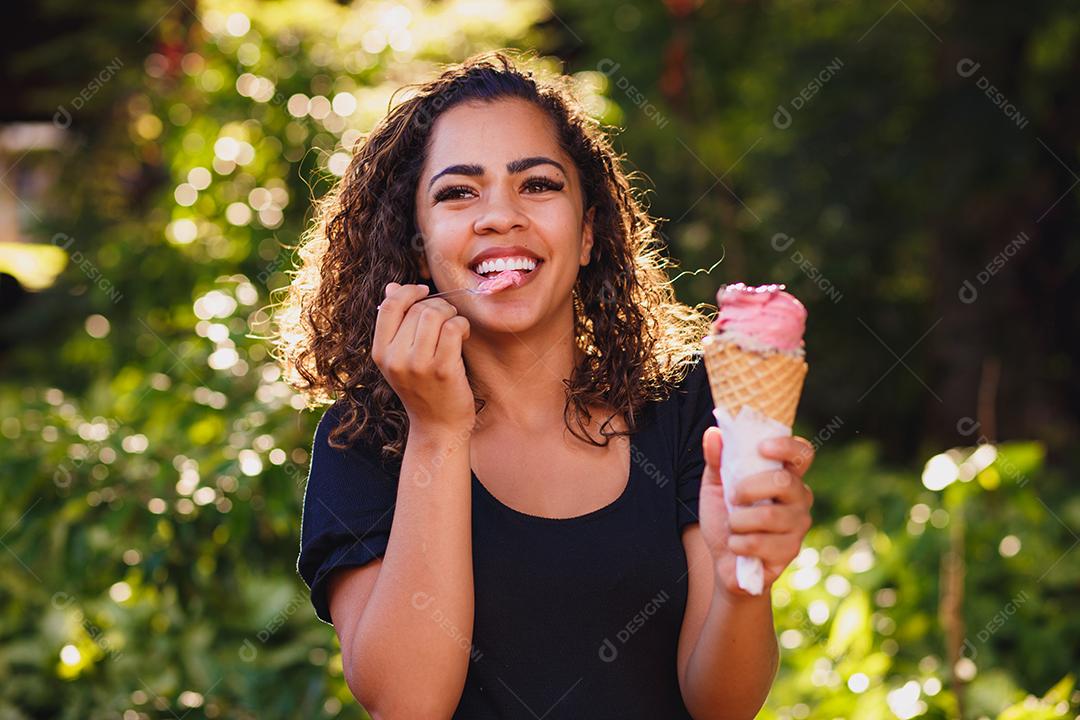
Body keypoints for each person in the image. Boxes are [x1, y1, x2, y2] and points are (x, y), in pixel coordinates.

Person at [274, 50, 816, 720]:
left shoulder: (682, 408)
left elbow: (722, 707)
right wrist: (439, 431)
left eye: (536, 184)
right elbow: (409, 704)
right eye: (457, 192)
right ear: (416, 245)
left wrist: (742, 586)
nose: (500, 216)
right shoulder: (363, 442)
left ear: (587, 233)